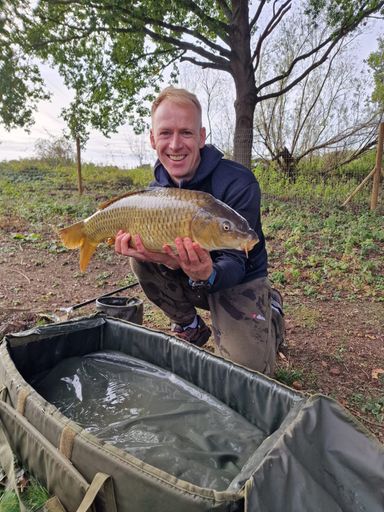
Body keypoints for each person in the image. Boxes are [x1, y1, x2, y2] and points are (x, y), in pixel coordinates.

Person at [115, 86, 284, 376]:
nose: (175, 144)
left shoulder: (238, 183)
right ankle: (190, 326)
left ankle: (273, 313)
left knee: (245, 373)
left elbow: (237, 262)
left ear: (202, 137)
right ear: (153, 139)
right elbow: (164, 259)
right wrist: (163, 259)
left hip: (238, 280)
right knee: (140, 257)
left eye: (186, 133)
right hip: (191, 274)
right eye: (166, 133)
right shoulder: (156, 194)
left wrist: (206, 273)